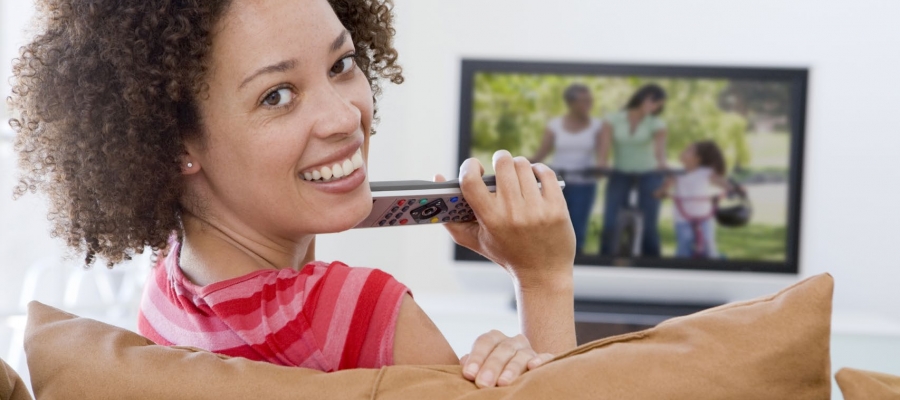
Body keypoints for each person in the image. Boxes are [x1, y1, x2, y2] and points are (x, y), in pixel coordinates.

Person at [8, 0, 576, 389]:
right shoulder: (365, 315)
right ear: (173, 143)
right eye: (277, 95)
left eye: (342, 64)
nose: (343, 116)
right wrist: (542, 278)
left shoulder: (168, 288)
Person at [530, 84, 603, 253]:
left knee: (576, 228)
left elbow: (602, 156)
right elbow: (541, 154)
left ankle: (576, 262)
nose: (588, 104)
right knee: (551, 225)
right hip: (556, 183)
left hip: (584, 183)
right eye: (583, 101)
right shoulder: (555, 125)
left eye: (589, 100)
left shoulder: (598, 126)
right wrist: (521, 162)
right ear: (571, 103)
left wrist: (600, 168)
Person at [597, 84, 668, 257]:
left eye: (658, 105)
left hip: (649, 174)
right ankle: (605, 258)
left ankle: (652, 260)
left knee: (649, 223)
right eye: (653, 101)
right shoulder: (613, 119)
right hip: (620, 173)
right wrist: (601, 164)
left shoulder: (657, 123)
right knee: (610, 220)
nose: (655, 107)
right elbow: (605, 146)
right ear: (642, 97)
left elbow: (660, 152)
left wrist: (663, 170)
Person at [656, 141, 733, 258]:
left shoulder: (706, 173)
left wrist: (732, 189)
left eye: (688, 150)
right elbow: (665, 187)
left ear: (697, 158)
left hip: (704, 216)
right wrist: (661, 192)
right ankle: (681, 270)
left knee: (709, 245)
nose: (682, 152)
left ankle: (713, 267)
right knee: (684, 244)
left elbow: (720, 181)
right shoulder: (677, 173)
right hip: (682, 217)